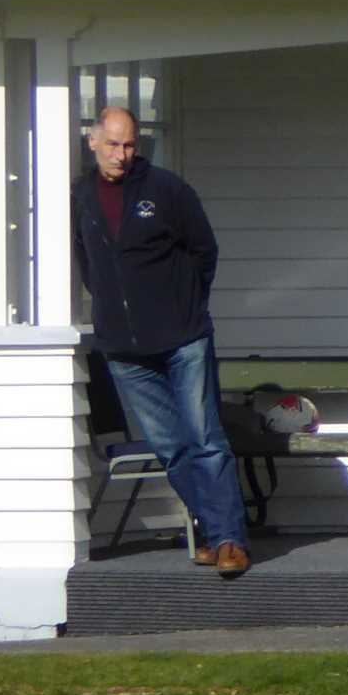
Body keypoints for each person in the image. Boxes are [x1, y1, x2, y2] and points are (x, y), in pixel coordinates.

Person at [73, 106, 251, 578]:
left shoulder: (166, 190)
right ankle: (215, 533)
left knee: (206, 439)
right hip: (124, 350)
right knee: (171, 447)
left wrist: (186, 305)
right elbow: (86, 264)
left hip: (183, 338)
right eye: (112, 144)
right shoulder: (81, 198)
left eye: (129, 144)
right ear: (93, 142)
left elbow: (204, 251)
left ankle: (230, 540)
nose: (121, 154)